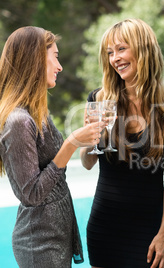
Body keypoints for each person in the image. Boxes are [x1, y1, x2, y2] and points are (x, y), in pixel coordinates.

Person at [80, 18, 164, 268]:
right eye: (110, 52)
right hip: (104, 227)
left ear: (143, 49)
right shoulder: (99, 98)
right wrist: (90, 136)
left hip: (150, 229)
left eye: (121, 49)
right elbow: (87, 162)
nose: (115, 58)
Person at [0, 26, 105, 267]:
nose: (59, 67)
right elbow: (32, 194)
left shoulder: (38, 114)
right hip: (39, 243)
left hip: (55, 234)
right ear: (35, 60)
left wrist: (85, 134)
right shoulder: (18, 121)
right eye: (55, 57)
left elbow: (51, 165)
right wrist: (71, 143)